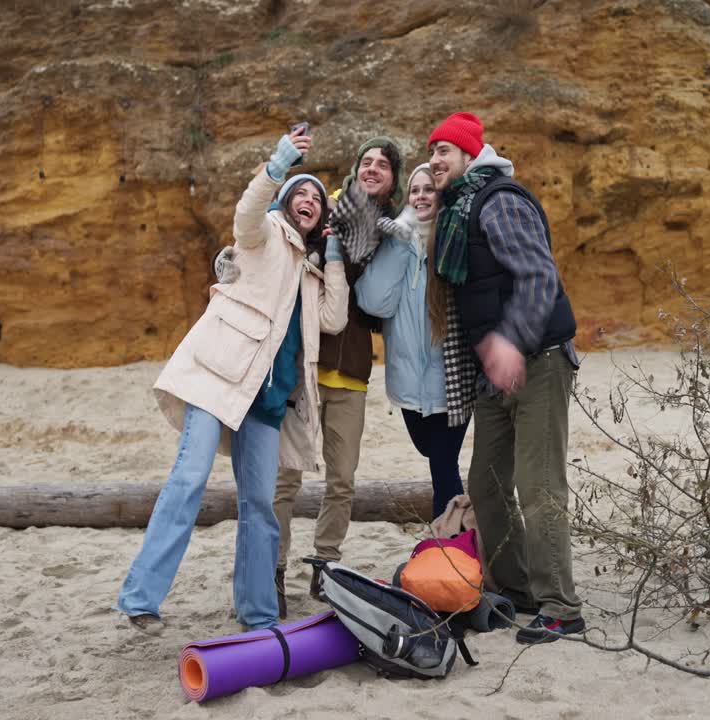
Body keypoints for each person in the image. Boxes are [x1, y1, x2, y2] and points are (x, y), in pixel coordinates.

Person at [114, 126, 348, 634]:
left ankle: (259, 613)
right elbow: (246, 212)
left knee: (259, 507)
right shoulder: (262, 234)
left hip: (267, 404)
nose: (308, 201)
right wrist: (279, 163)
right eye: (299, 194)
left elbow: (334, 319)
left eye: (316, 199)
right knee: (188, 481)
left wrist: (331, 256)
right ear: (286, 203)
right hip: (217, 380)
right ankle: (141, 598)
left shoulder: (310, 273)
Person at [215, 136, 406, 618]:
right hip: (304, 369)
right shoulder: (326, 215)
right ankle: (274, 570)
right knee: (285, 478)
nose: (373, 169)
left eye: (383, 164)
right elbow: (265, 248)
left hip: (355, 372)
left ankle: (326, 566)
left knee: (342, 480)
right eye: (366, 161)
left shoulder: (394, 231)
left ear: (394, 176)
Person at [426, 111, 585, 645]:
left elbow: (539, 276)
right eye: (431, 151)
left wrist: (511, 341)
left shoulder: (499, 201)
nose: (434, 159)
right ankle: (518, 591)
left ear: (472, 154)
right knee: (487, 487)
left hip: (538, 360)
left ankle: (561, 607)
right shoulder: (456, 214)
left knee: (537, 485)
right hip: (496, 378)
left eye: (444, 150)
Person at [356, 163, 470, 520]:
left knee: (442, 466)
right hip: (407, 383)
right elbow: (374, 302)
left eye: (429, 189)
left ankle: (450, 546)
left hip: (452, 379)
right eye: (415, 190)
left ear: (441, 196)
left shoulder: (453, 239)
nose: (421, 196)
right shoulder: (395, 241)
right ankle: (459, 535)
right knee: (430, 452)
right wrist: (402, 243)